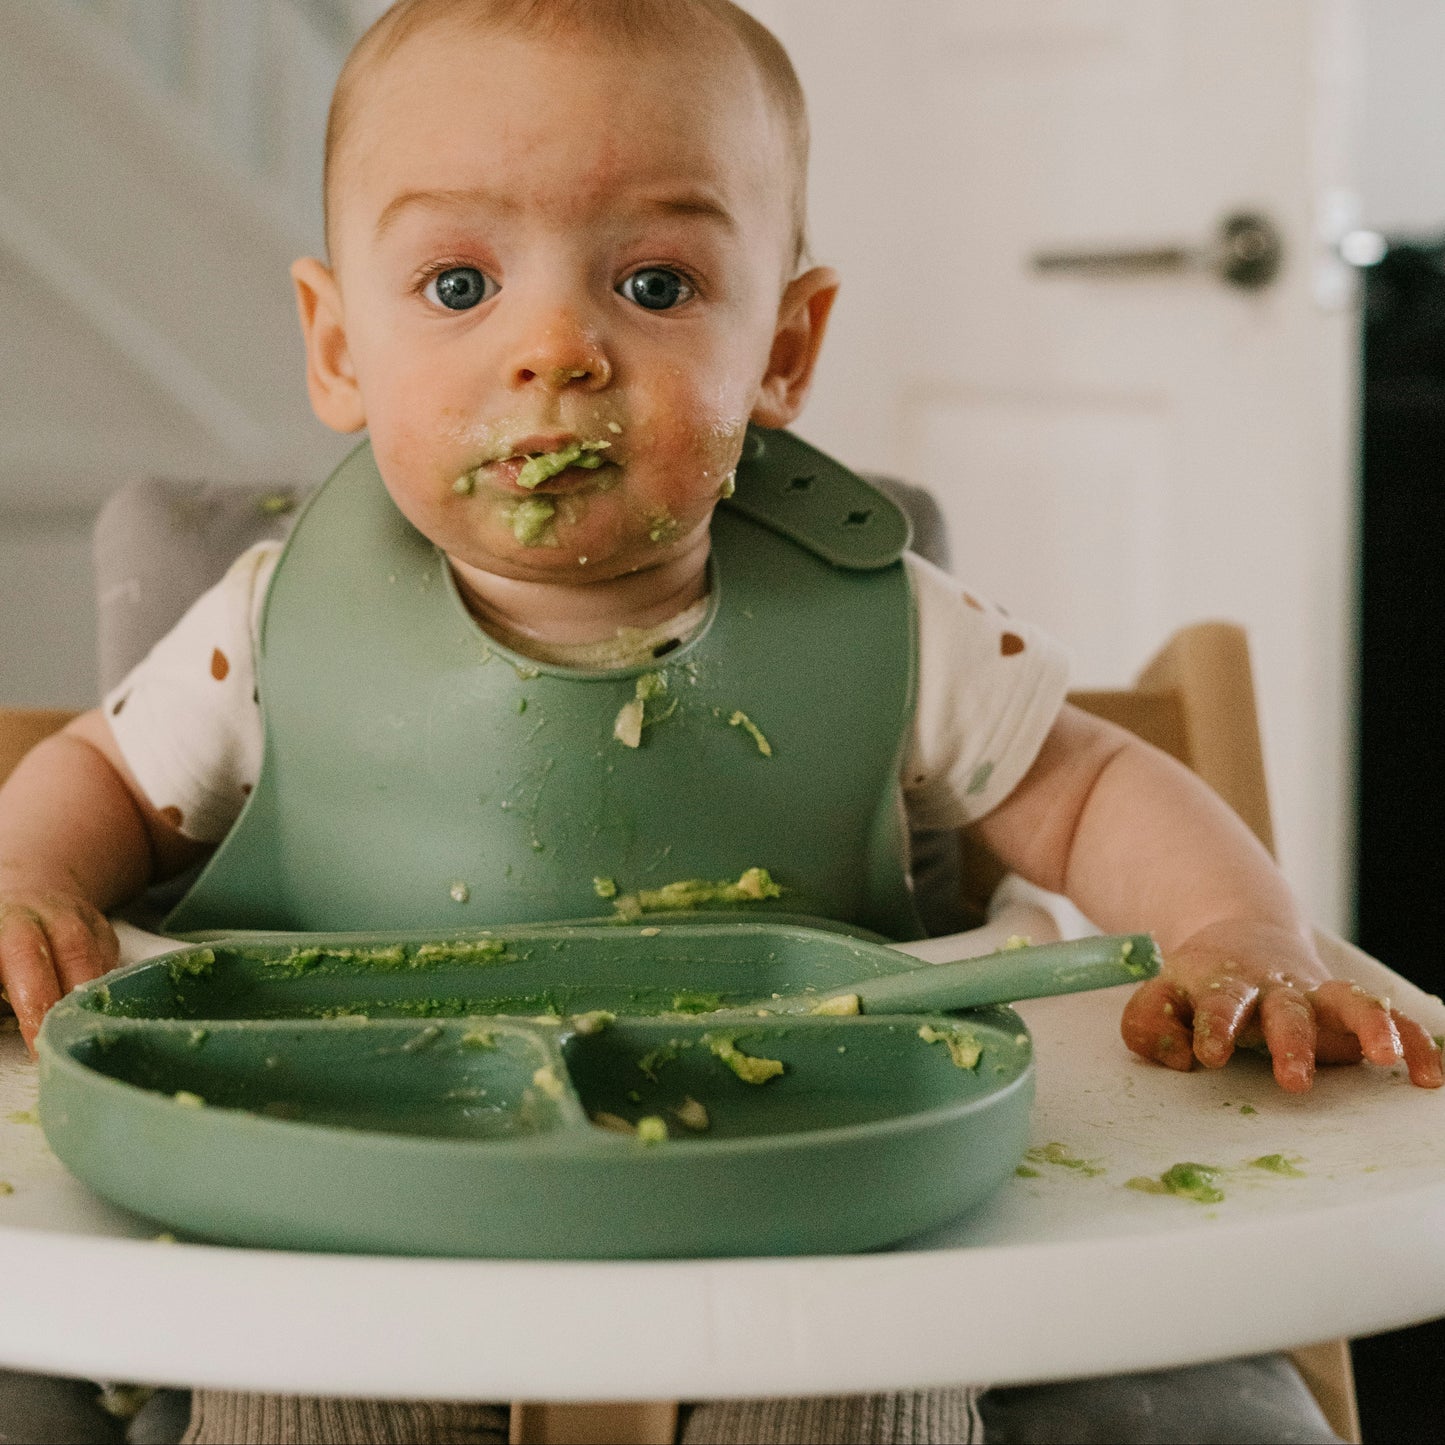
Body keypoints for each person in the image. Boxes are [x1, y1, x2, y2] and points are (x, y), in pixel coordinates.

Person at [0, 2, 1438, 1442]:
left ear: (784, 349)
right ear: (336, 346)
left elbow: (1087, 787)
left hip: (809, 1189)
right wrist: (29, 877)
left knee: (857, 1384)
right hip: (339, 1177)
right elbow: (104, 778)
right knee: (296, 1389)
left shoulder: (887, 626)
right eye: (455, 285)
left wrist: (1235, 931)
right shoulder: (271, 627)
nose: (555, 350)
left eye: (654, 282)